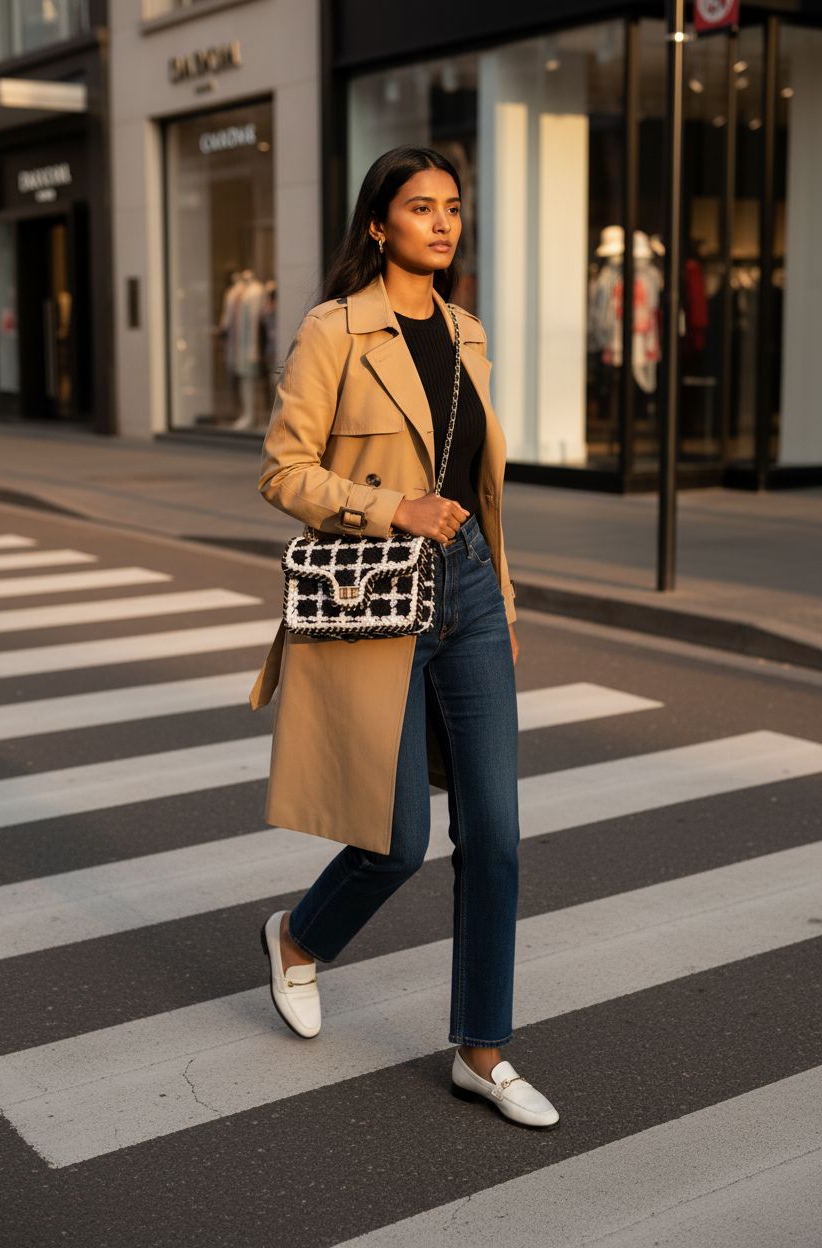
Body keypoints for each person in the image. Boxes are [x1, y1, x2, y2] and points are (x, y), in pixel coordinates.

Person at [250, 145, 559, 1129]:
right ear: (377, 224)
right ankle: (298, 942)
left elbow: (478, 488)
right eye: (419, 207)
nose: (442, 222)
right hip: (375, 602)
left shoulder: (465, 331)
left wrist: (501, 603)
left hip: (468, 594)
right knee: (395, 840)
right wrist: (392, 508)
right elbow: (283, 473)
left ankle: (482, 1050)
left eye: (453, 207)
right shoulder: (333, 330)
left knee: (498, 839)